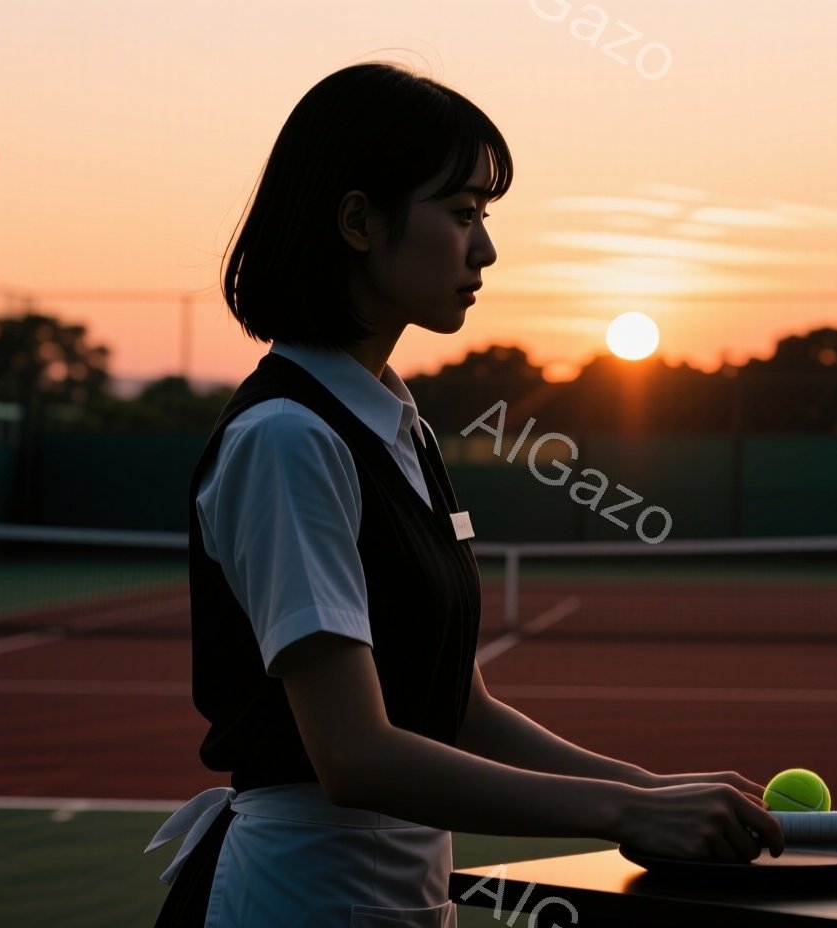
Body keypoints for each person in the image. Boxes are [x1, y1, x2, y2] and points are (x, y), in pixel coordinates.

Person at [145, 62, 783, 927]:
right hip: (296, 895)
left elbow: (461, 709)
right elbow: (355, 756)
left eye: (485, 215)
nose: (484, 249)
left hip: (400, 892)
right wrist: (627, 812)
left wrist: (653, 789)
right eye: (461, 212)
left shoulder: (395, 426)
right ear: (359, 222)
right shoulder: (288, 438)